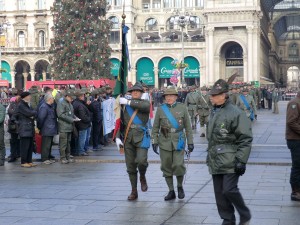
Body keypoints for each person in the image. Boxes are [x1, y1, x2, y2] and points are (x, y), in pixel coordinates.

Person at [207, 79, 252, 225]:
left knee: (229, 189)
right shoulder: (214, 111)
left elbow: (245, 138)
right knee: (219, 193)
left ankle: (244, 213)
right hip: (216, 158)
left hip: (231, 159)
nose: (211, 97)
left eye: (215, 95)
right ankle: (228, 219)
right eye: (211, 95)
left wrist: (241, 160)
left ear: (224, 95)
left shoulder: (236, 112)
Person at [151, 86, 194, 201]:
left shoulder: (182, 108)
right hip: (164, 141)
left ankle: (180, 186)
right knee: (166, 166)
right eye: (166, 96)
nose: (169, 98)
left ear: (176, 97)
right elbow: (155, 127)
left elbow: (188, 128)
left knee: (178, 165)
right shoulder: (161, 109)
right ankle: (171, 190)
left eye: (171, 96)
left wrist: (190, 142)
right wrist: (154, 141)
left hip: (178, 140)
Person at [115, 82, 150, 201]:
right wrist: (118, 136)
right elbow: (120, 121)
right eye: (133, 91)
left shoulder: (145, 103)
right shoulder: (125, 106)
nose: (135, 92)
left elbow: (144, 107)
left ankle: (143, 176)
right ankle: (134, 191)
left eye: (137, 91)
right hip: (127, 137)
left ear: (141, 93)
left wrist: (128, 102)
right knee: (130, 166)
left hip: (141, 136)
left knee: (141, 161)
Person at [16, 92, 37, 168]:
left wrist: (33, 114)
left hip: (29, 128)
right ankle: (24, 161)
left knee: (30, 146)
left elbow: (32, 113)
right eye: (29, 96)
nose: (30, 97)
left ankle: (29, 161)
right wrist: (34, 113)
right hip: (24, 128)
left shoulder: (27, 104)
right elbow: (29, 113)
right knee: (25, 146)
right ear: (25, 97)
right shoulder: (21, 105)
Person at [286, 91, 300, 201]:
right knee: (297, 166)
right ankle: (295, 192)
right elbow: (291, 121)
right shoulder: (294, 103)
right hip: (295, 140)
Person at [37, 93, 58, 165]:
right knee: (46, 145)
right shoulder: (44, 107)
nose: (53, 99)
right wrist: (40, 127)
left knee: (49, 145)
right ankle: (44, 158)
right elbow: (41, 118)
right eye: (52, 98)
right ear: (49, 99)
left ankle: (48, 157)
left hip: (50, 128)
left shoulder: (50, 106)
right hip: (47, 129)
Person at [56, 90, 76, 164]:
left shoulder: (69, 103)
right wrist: (71, 119)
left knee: (68, 143)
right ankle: (63, 157)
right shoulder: (61, 103)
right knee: (63, 143)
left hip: (69, 126)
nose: (72, 99)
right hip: (63, 126)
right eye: (71, 98)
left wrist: (75, 117)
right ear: (67, 96)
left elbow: (71, 113)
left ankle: (68, 156)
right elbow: (60, 115)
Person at [73, 90, 91, 156]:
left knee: (79, 138)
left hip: (79, 123)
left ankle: (79, 150)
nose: (84, 96)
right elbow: (83, 116)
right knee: (82, 138)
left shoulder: (75, 103)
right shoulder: (80, 104)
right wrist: (89, 119)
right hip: (82, 124)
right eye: (83, 95)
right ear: (80, 96)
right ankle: (81, 151)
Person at [7, 90, 22, 162]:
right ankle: (13, 155)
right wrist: (16, 112)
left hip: (19, 125)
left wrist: (15, 112)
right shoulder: (12, 103)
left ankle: (18, 153)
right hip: (13, 126)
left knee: (18, 140)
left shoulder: (22, 104)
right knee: (13, 141)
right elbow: (9, 111)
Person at [0, 101, 5, 166]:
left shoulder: (1, 107)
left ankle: (2, 160)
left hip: (0, 130)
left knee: (1, 144)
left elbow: (1, 119)